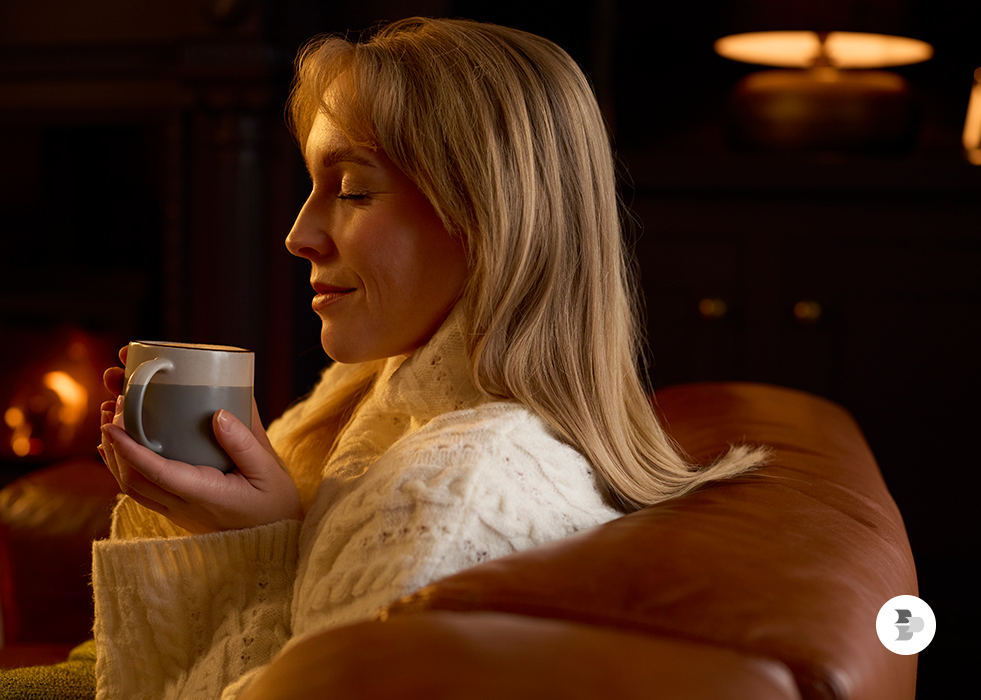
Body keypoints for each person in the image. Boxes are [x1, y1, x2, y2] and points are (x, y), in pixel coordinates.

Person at [90, 16, 767, 700]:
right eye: (312, 187)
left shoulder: (447, 503)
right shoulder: (376, 396)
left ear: (486, 215)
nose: (299, 234)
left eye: (353, 190)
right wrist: (249, 522)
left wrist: (255, 549)